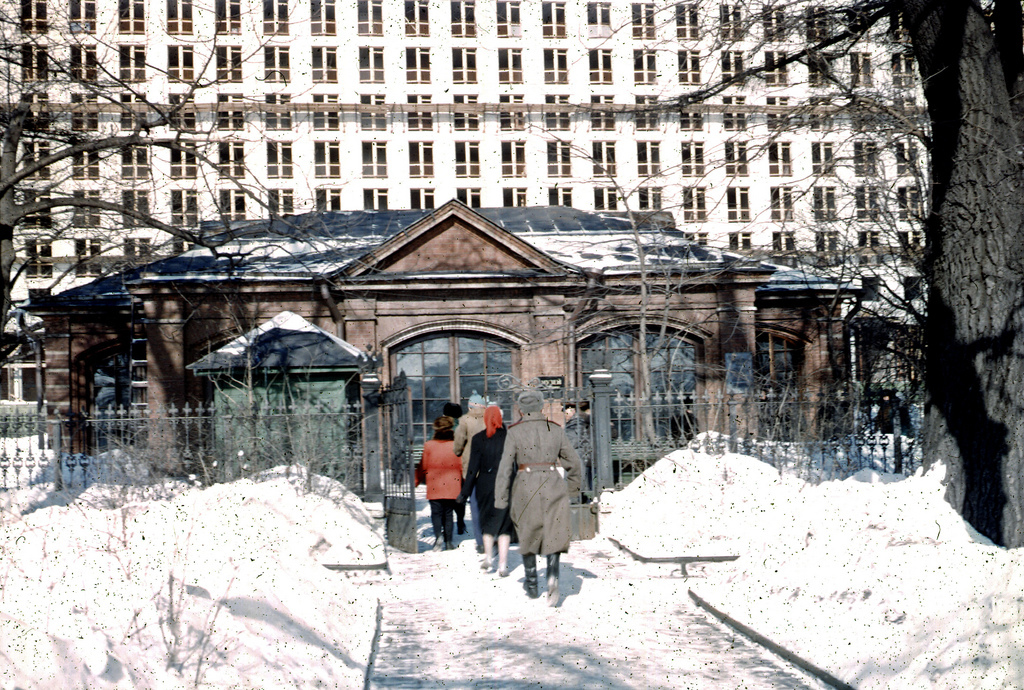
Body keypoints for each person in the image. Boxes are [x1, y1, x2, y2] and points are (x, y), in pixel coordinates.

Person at [495, 390, 581, 606]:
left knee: (528, 531)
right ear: (542, 408)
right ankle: (552, 575)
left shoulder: (514, 432)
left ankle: (532, 583)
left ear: (521, 410)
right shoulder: (556, 429)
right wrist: (572, 490)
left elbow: (505, 467)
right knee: (554, 531)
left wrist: (501, 498)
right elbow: (574, 462)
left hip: (525, 483)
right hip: (553, 482)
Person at [458, 405, 514, 576]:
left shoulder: (478, 439)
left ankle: (489, 557)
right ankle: (503, 564)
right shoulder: (509, 437)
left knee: (486, 522)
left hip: (485, 485)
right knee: (505, 525)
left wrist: (465, 492)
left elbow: (472, 469)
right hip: (506, 484)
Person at [417, 415, 462, 551]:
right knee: (448, 513)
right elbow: (461, 465)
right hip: (452, 484)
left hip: (434, 483)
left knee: (436, 513)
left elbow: (423, 465)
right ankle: (449, 541)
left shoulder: (429, 445)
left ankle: (438, 537)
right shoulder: (456, 445)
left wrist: (416, 480)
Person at [453, 393, 487, 554]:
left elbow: (459, 443)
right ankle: (491, 537)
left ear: (469, 406)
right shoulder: (489, 418)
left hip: (471, 468)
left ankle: (480, 541)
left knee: (475, 505)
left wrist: (458, 452)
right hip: (490, 467)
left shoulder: (465, 420)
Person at [443, 401, 467, 535]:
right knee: (460, 496)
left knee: (446, 498)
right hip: (459, 465)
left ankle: (447, 525)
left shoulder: (441, 426)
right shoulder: (462, 426)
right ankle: (460, 521)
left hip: (443, 466)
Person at [563, 401, 592, 497]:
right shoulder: (572, 423)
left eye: (567, 413)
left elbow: (573, 441)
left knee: (576, 480)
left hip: (576, 455)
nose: (565, 416)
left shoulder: (577, 423)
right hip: (572, 456)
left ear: (573, 412)